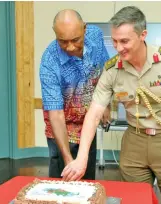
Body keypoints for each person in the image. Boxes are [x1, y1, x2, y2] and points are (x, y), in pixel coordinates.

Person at [61, 6, 161, 204]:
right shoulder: (112, 70)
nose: (118, 48)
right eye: (115, 41)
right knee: (133, 200)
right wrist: (82, 158)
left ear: (143, 35)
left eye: (125, 41)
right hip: (134, 141)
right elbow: (93, 114)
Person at [39, 9, 110, 180]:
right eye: (63, 41)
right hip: (62, 127)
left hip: (87, 123)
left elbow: (106, 70)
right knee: (63, 181)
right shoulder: (50, 61)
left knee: (87, 176)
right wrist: (69, 160)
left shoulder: (95, 36)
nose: (70, 47)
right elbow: (55, 114)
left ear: (84, 29)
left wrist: (107, 105)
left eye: (75, 40)